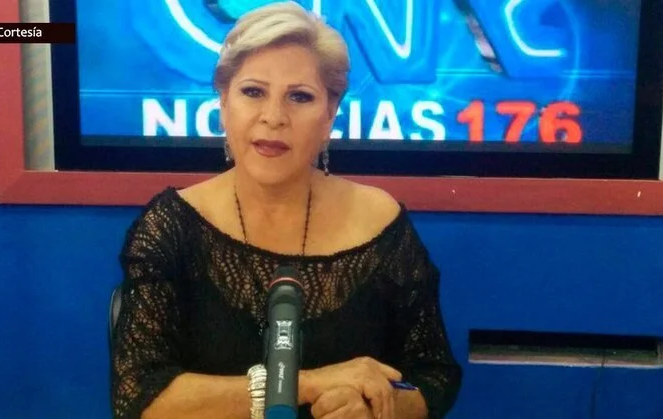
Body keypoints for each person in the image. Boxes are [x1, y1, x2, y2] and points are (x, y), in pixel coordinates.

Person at [110, 2, 462, 418]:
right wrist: (304, 385)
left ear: (330, 114)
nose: (274, 117)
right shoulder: (171, 226)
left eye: (299, 96)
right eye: (253, 92)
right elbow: (141, 398)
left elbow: (433, 378)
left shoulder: (379, 221)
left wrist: (375, 404)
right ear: (223, 102)